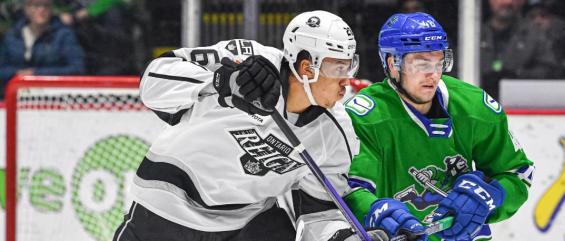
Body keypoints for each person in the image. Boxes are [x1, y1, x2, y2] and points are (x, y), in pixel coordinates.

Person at [112, 10, 387, 241]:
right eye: (338, 68)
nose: (346, 80)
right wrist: (222, 82)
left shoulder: (336, 133)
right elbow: (152, 82)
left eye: (350, 67)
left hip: (246, 224)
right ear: (307, 67)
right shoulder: (247, 60)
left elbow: (320, 213)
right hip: (167, 207)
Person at [343, 12, 535, 241]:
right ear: (393, 64)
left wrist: (490, 195)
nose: (433, 74)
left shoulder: (474, 107)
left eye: (439, 62)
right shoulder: (366, 117)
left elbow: (517, 174)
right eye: (421, 64)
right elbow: (349, 190)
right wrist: (377, 213)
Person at [480, 0, 565, 99]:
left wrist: (517, 75)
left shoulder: (536, 35)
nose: (507, 2)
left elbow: (548, 71)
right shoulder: (473, 33)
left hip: (521, 104)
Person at [0, 0, 84, 99]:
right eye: (35, 6)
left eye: (46, 6)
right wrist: (18, 74)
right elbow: (2, 68)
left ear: (52, 9)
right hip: (14, 97)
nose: (41, 10)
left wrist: (36, 73)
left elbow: (77, 69)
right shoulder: (12, 35)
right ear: (26, 8)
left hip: (53, 98)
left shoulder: (64, 35)